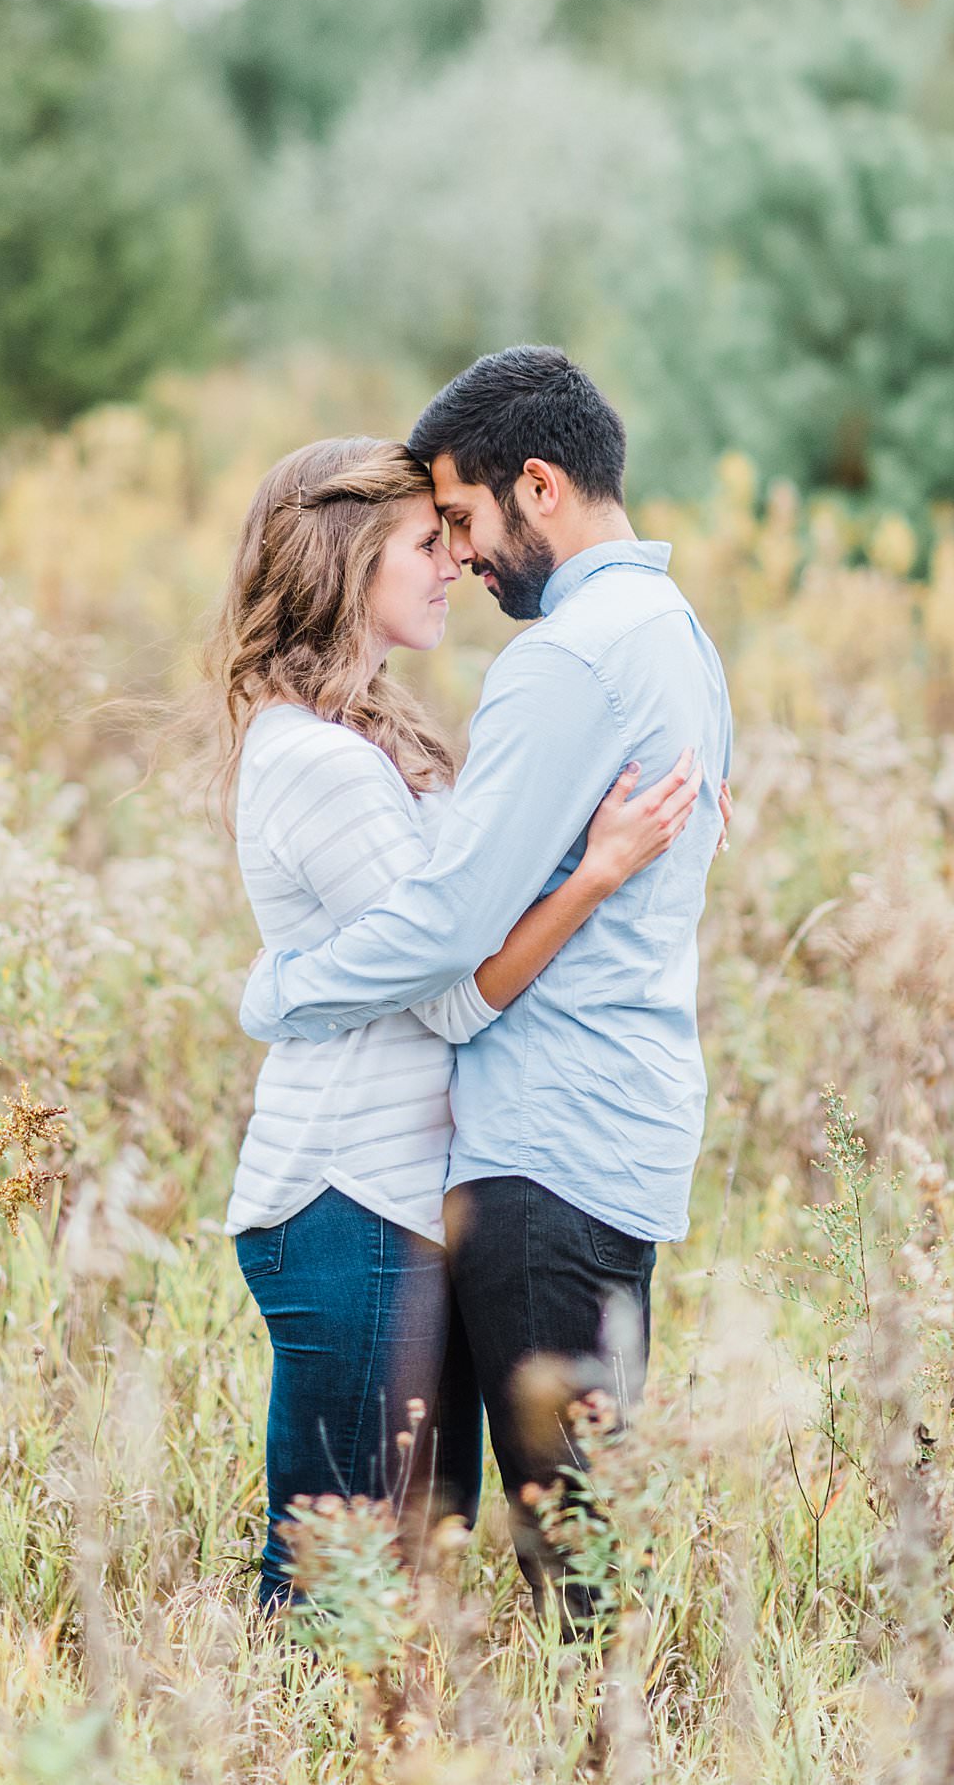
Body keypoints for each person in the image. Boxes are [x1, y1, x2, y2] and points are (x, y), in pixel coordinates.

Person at [240, 347, 734, 1615]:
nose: (463, 555)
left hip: (545, 1148)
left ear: (540, 486)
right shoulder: (674, 638)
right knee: (516, 1541)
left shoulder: (568, 658)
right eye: (431, 535)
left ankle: (602, 1737)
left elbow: (452, 927)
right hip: (574, 1140)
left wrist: (280, 993)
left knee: (560, 1549)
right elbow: (465, 929)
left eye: (460, 521)